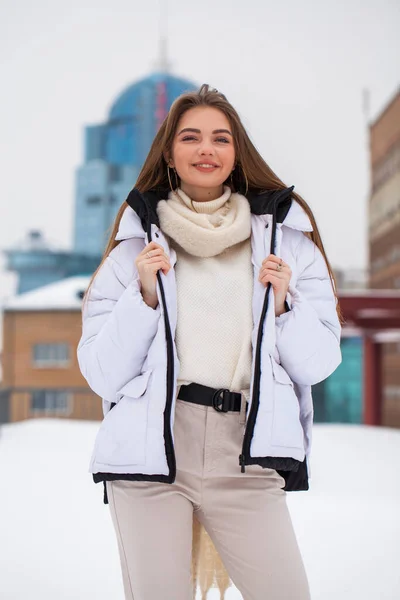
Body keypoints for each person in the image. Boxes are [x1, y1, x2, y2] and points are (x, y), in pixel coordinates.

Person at [77, 83, 343, 600]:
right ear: (170, 156)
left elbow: (318, 364)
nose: (206, 149)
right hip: (153, 453)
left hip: (245, 451)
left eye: (221, 138)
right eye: (191, 138)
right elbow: (102, 373)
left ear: (236, 152)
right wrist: (145, 296)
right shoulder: (131, 253)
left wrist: (286, 302)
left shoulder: (289, 247)